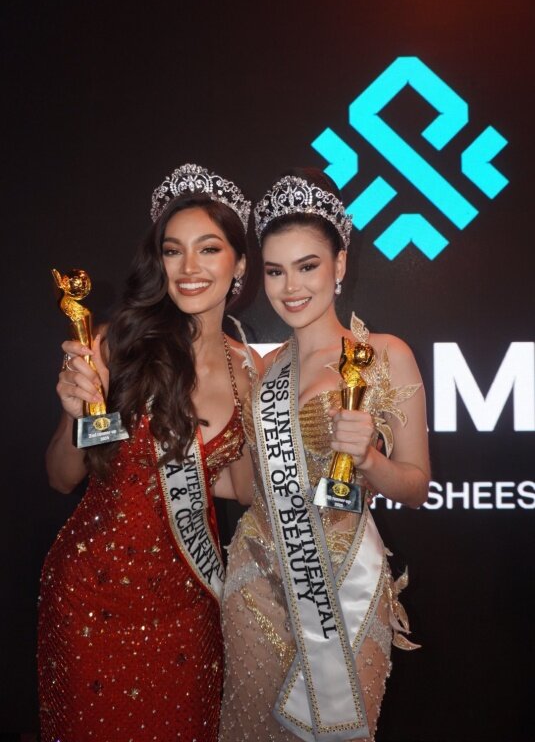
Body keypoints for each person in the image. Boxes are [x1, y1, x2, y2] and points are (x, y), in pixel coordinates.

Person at [38, 164, 257, 742]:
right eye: (173, 250)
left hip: (189, 610)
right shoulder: (119, 344)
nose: (189, 268)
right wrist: (74, 412)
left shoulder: (249, 371)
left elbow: (239, 487)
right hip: (89, 601)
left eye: (209, 249)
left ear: (239, 262)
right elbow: (62, 477)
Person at [219, 168, 430, 742]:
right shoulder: (261, 372)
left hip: (347, 590)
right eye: (275, 270)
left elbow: (416, 486)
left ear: (339, 265)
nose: (290, 286)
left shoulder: (383, 354)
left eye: (307, 265)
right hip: (255, 588)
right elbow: (248, 487)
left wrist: (371, 462)